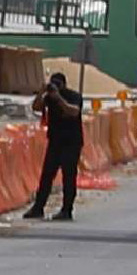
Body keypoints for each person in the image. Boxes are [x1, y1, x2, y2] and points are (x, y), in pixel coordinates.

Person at [27, 71, 86, 222]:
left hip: (72, 142)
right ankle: (38, 208)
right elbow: (36, 107)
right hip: (55, 141)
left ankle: (67, 210)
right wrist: (41, 93)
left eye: (58, 85)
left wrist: (59, 98)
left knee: (68, 176)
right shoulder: (49, 98)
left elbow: (73, 111)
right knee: (46, 176)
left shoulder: (74, 96)